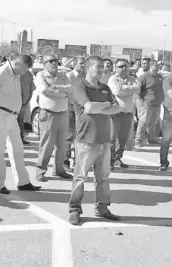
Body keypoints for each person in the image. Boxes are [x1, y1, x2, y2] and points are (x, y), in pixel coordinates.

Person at [68, 56, 125, 225]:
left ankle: (102, 208)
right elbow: (88, 107)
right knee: (80, 177)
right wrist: (103, 106)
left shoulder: (105, 88)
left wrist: (98, 107)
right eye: (98, 67)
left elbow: (117, 108)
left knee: (103, 178)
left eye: (103, 67)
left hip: (104, 140)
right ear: (88, 67)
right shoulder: (79, 86)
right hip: (86, 139)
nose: (102, 70)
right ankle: (74, 209)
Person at [0, 53, 41, 194]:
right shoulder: (1, 72)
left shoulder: (16, 73)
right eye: (25, 69)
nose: (25, 72)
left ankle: (23, 182)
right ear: (18, 64)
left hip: (12, 116)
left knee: (17, 149)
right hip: (0, 114)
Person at [34, 54, 74, 181]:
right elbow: (45, 90)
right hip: (48, 114)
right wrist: (63, 94)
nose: (54, 63)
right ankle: (40, 171)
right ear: (44, 63)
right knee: (47, 145)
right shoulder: (41, 75)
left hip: (63, 113)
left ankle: (59, 170)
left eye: (55, 61)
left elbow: (71, 88)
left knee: (62, 145)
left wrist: (56, 88)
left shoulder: (63, 75)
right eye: (50, 61)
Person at [107, 59, 140, 169]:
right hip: (116, 112)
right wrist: (130, 88)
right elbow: (116, 91)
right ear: (116, 68)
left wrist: (126, 87)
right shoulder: (113, 79)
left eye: (125, 66)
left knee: (123, 138)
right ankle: (109, 161)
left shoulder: (132, 78)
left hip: (128, 112)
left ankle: (117, 158)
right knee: (112, 138)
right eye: (121, 66)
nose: (124, 68)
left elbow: (138, 89)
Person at [135, 60, 164, 147]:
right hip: (146, 103)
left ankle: (152, 139)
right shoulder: (143, 77)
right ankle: (138, 140)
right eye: (156, 66)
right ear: (151, 66)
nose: (158, 68)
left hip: (157, 103)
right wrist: (141, 101)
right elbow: (137, 90)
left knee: (154, 122)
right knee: (144, 122)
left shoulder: (159, 76)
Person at [65, 56, 86, 168]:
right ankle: (65, 161)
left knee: (80, 137)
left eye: (84, 64)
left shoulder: (85, 77)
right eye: (81, 63)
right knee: (68, 136)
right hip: (71, 108)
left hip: (82, 109)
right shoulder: (69, 76)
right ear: (74, 64)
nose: (83, 66)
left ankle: (78, 161)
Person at [17, 55, 35, 145]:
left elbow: (32, 87)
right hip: (14, 102)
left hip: (24, 102)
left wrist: (28, 99)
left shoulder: (28, 73)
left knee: (20, 121)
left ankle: (20, 138)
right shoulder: (16, 72)